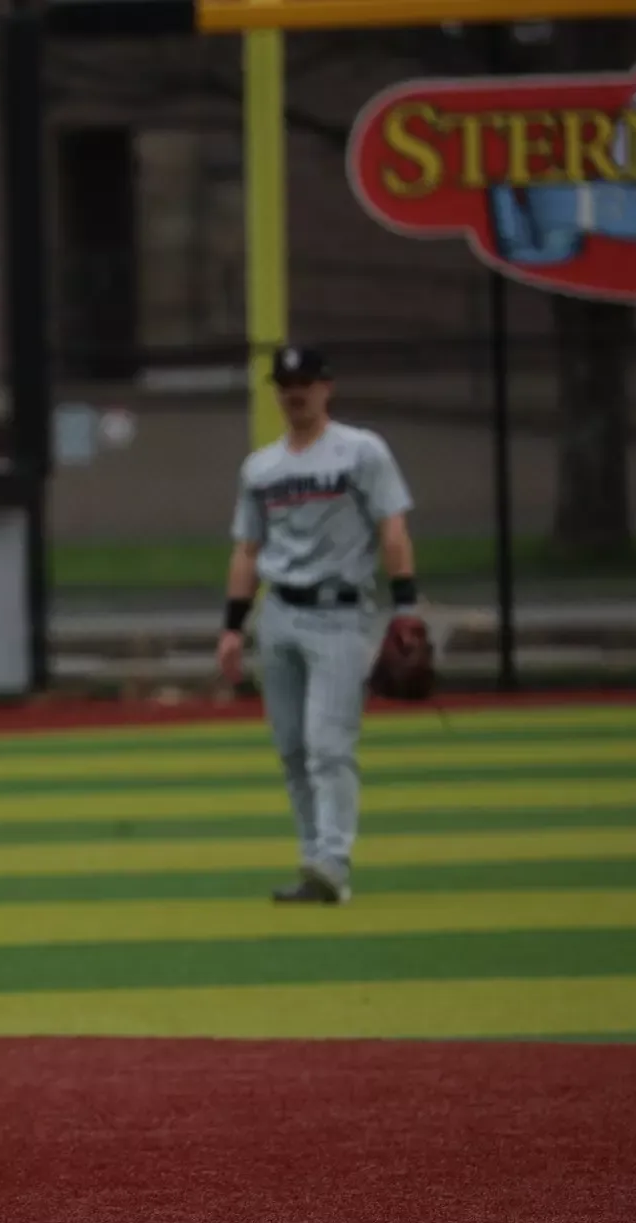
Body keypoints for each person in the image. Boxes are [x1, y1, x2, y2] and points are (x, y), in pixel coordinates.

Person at [215, 345, 421, 905]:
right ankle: (313, 859)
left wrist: (406, 608)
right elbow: (246, 549)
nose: (294, 392)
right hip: (278, 612)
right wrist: (234, 626)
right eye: (285, 383)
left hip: (341, 612)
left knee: (328, 745)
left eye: (304, 381)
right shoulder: (260, 467)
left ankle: (332, 861)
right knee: (290, 748)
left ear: (327, 387)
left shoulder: (361, 451)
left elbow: (393, 528)